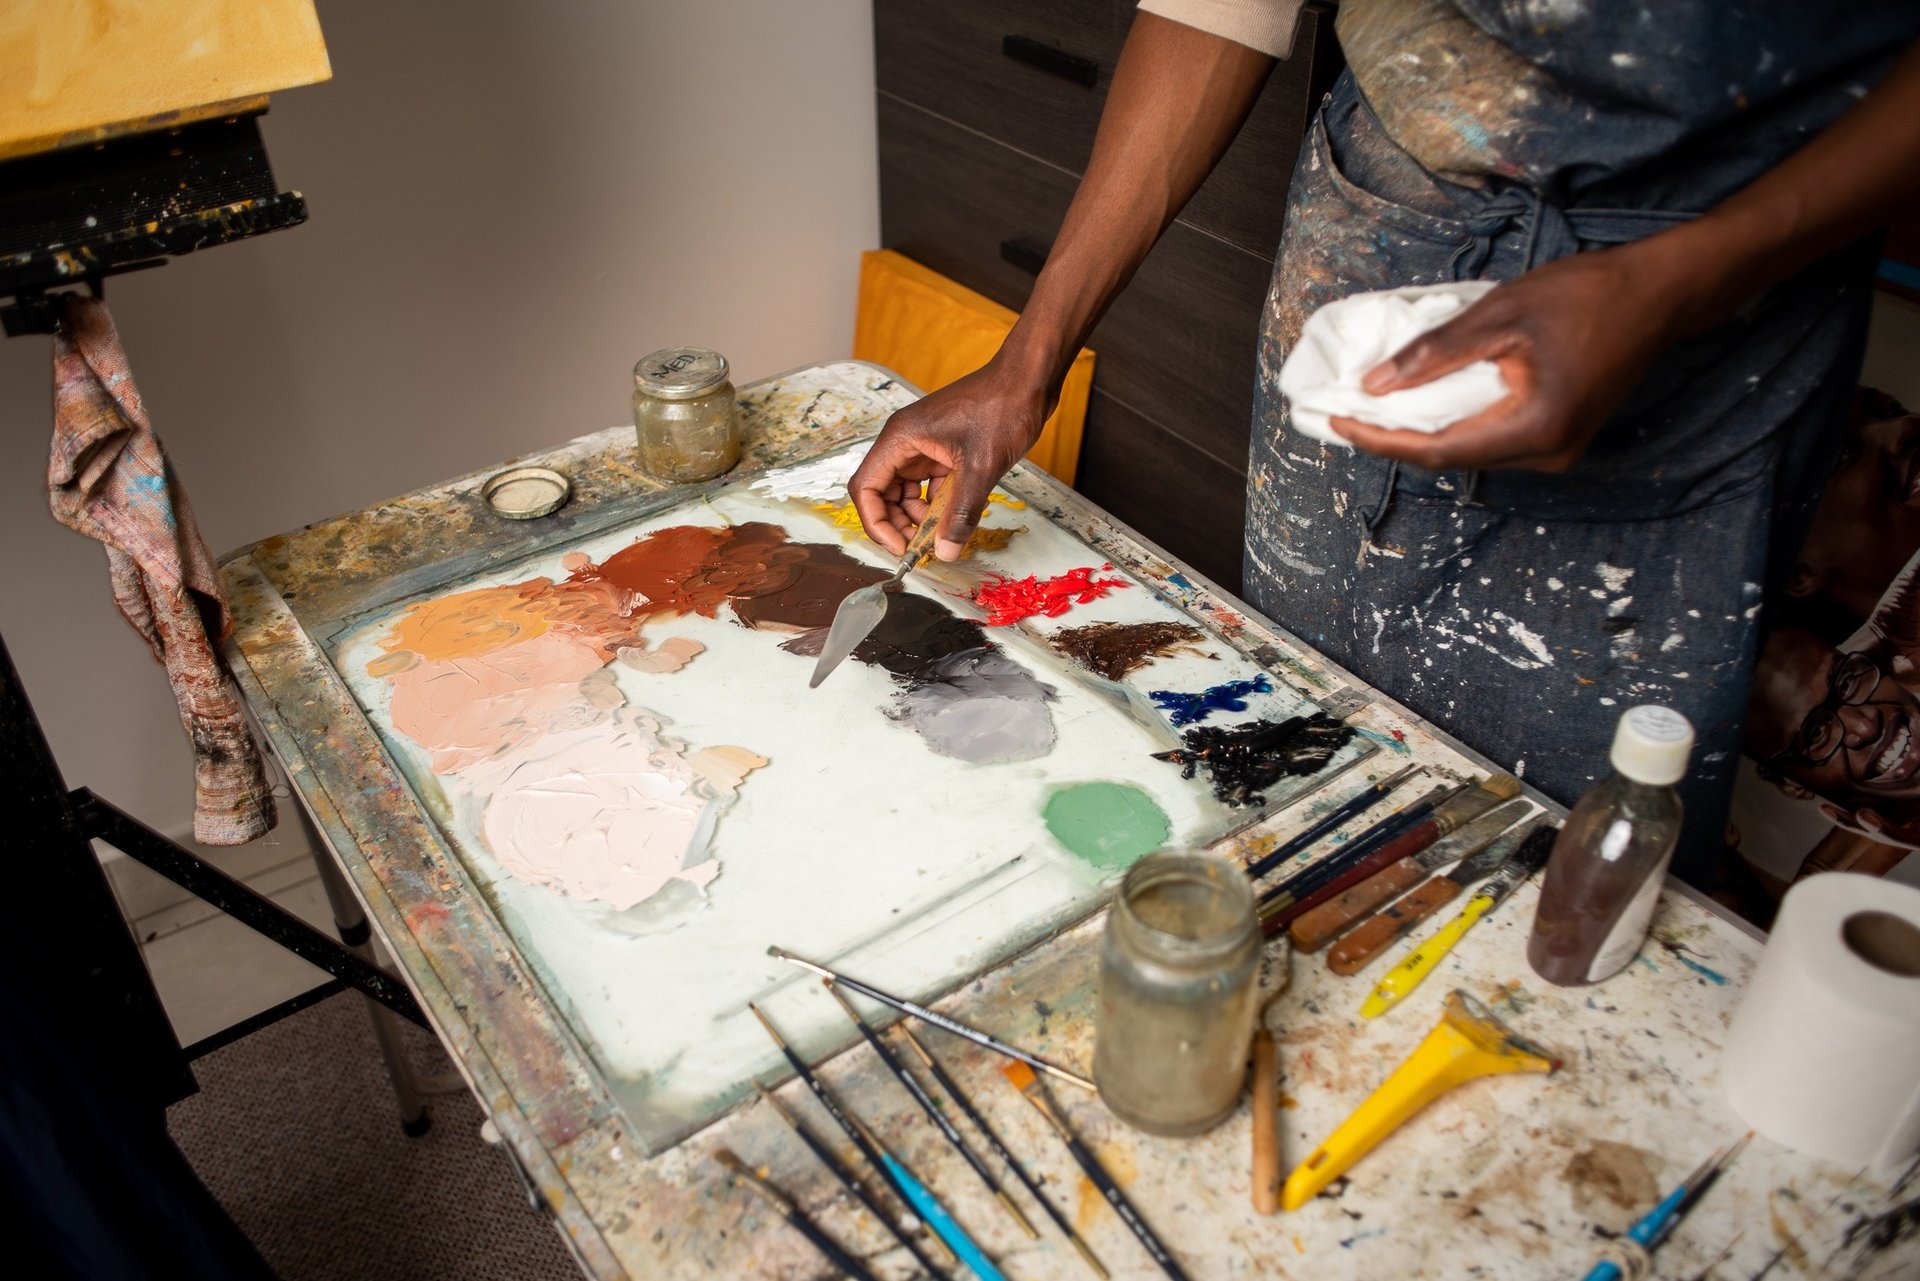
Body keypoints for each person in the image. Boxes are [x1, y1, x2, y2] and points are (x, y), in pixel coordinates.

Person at [848, 1, 1920, 881]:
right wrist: (1024, 363)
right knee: (1290, 749)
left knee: (1552, 848)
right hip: (1386, 232)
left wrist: (1677, 281)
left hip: (1717, 296)